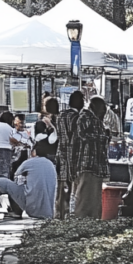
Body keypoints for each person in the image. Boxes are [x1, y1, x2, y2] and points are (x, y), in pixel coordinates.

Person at [69, 96, 110, 219]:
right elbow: (83, 136)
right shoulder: (85, 118)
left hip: (95, 165)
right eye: (103, 109)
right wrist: (103, 137)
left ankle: (92, 220)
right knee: (85, 198)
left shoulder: (95, 119)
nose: (104, 112)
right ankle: (83, 221)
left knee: (94, 198)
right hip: (88, 163)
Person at [0, 146, 58, 220]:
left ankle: (14, 211)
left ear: (34, 152)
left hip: (32, 206)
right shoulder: (51, 164)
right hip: (49, 210)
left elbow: (17, 175)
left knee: (0, 181)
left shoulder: (29, 162)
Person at [55, 91, 82, 219]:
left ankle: (59, 212)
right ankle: (67, 214)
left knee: (61, 186)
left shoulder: (61, 115)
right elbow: (76, 138)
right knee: (71, 187)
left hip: (60, 153)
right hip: (72, 156)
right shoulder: (76, 117)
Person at [0, 112, 18, 183]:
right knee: (5, 168)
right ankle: (3, 183)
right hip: (5, 149)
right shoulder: (9, 128)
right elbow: (13, 139)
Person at [34, 99, 60, 164]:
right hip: (56, 150)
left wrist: (50, 125)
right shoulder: (60, 118)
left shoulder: (46, 120)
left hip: (46, 151)